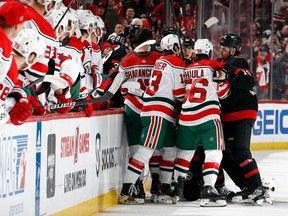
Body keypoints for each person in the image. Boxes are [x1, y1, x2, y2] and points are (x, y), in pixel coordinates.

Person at [119, 34, 186, 205]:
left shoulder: (160, 60)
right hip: (157, 110)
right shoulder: (176, 62)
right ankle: (127, 190)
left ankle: (163, 188)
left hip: (160, 110)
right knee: (146, 150)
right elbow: (179, 93)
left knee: (170, 149)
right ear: (176, 48)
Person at [173, 39, 227, 207]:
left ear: (196, 52)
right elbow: (224, 92)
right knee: (214, 152)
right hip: (208, 115)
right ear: (210, 52)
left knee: (184, 153)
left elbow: (180, 94)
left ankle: (176, 188)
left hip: (186, 116)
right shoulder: (214, 65)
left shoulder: (187, 69)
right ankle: (209, 188)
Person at [218, 33, 270, 204]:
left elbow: (245, 81)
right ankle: (247, 186)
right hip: (229, 115)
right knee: (225, 155)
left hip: (242, 112)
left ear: (233, 50)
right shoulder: (222, 64)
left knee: (240, 151)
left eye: (224, 48)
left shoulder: (237, 62)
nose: (221, 50)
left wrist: (227, 76)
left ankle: (257, 188)